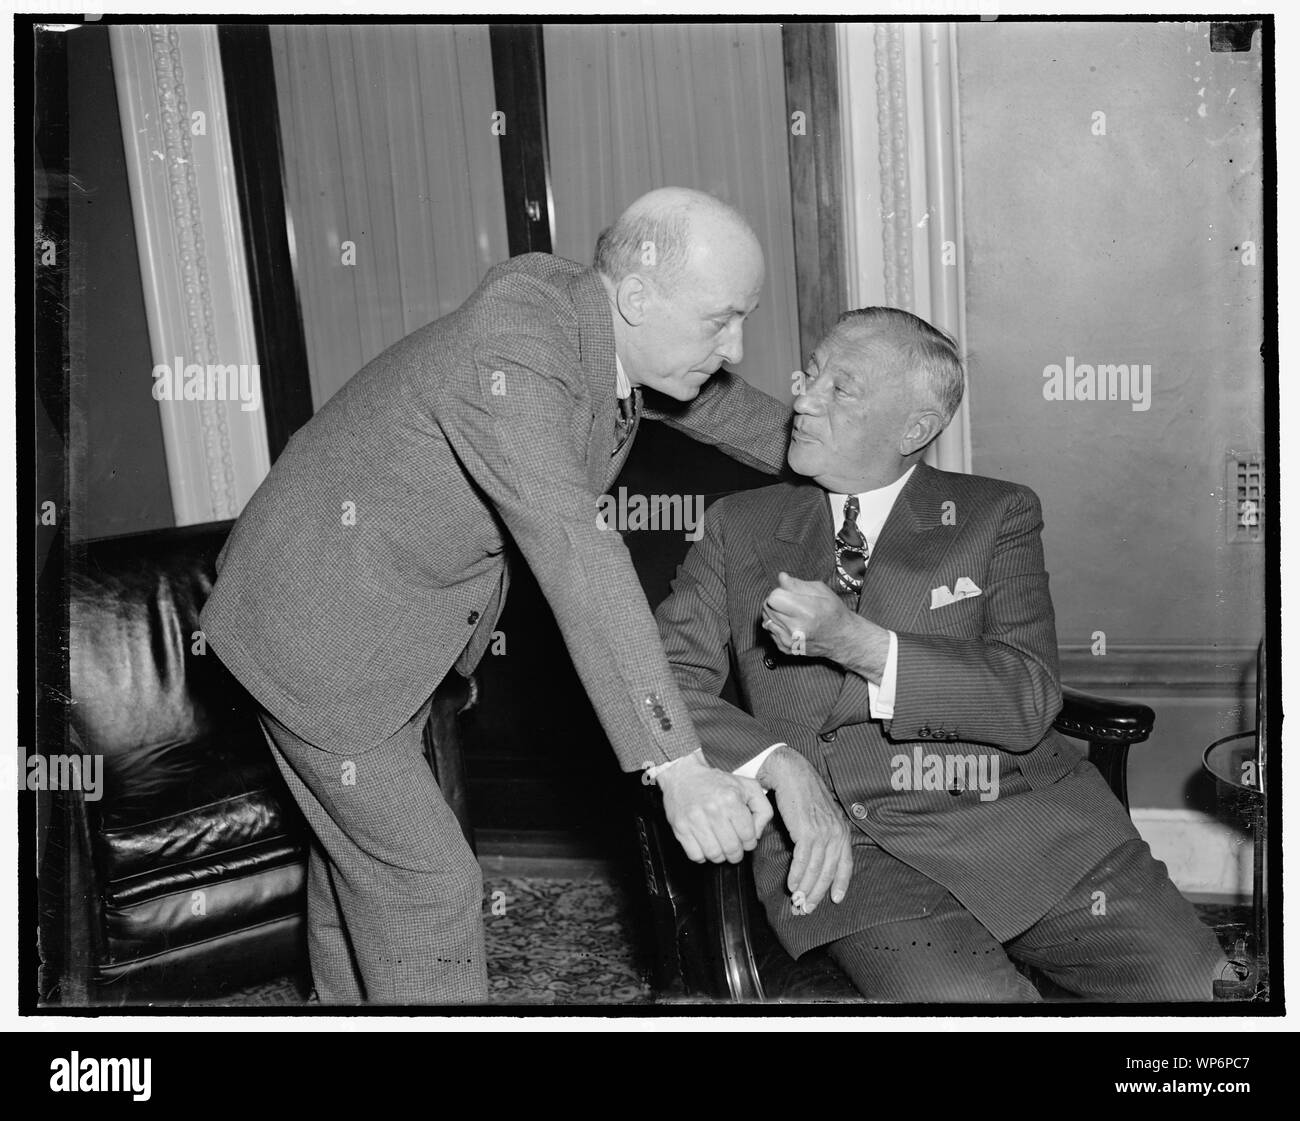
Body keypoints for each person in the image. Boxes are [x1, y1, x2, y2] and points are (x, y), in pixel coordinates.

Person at [199, 188, 787, 1003]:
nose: (735, 346)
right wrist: (679, 765)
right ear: (640, 297)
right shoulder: (513, 350)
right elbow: (575, 547)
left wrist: (833, 444)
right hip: (314, 628)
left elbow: (727, 408)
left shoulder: (597, 325)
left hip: (389, 616)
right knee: (427, 883)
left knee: (356, 876)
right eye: (721, 320)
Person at [654, 306, 1226, 1001]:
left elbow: (1025, 696)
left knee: (1200, 989)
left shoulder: (994, 514)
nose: (801, 396)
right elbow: (657, 682)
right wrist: (781, 766)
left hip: (1025, 826)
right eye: (811, 375)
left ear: (914, 428)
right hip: (851, 851)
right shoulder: (738, 527)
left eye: (842, 387)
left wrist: (858, 644)